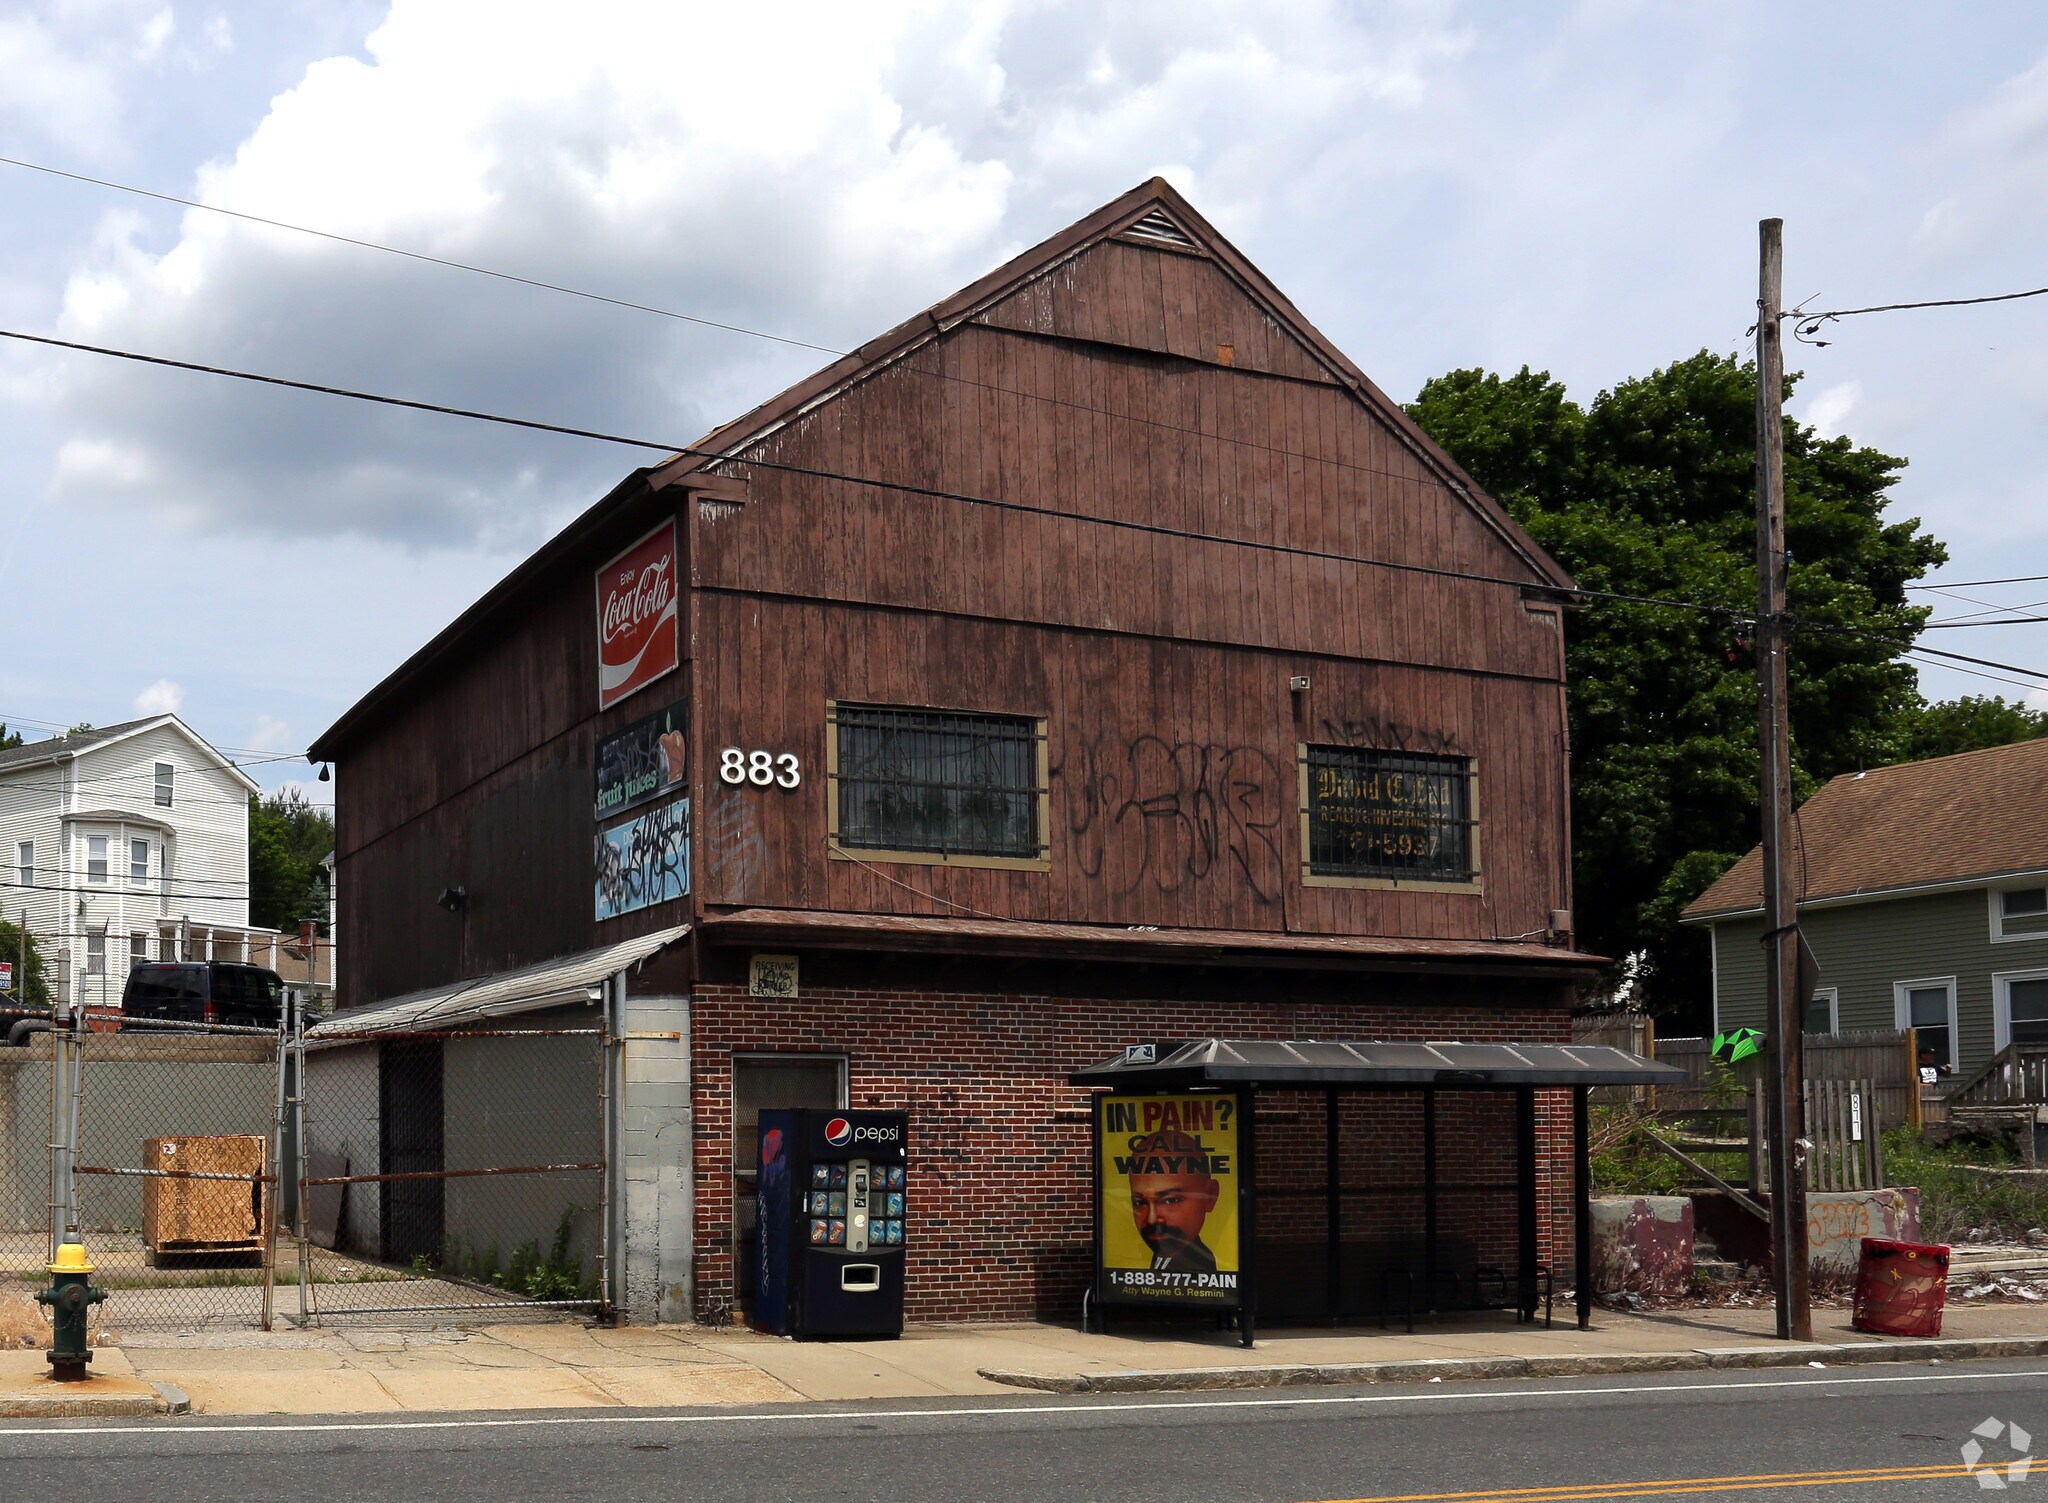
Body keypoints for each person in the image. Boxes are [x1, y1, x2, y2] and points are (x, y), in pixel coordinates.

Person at [1126, 1128, 1223, 1274]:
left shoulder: (1196, 1263)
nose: (1152, 1219)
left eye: (1170, 1201)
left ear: (1210, 1195)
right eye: (1140, 1203)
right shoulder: (1164, 1253)